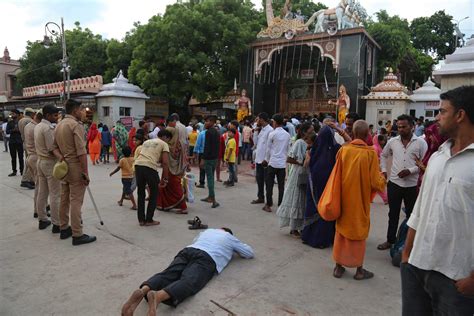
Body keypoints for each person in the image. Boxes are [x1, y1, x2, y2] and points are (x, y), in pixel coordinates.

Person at [401, 86, 474, 315]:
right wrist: (407, 254)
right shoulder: (437, 156)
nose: (437, 118)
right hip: (417, 264)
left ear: (460, 115)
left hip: (455, 277)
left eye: (442, 112)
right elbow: (420, 209)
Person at [121, 228, 254, 315]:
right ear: (228, 232)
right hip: (207, 258)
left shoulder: (207, 231)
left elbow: (196, 241)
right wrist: (234, 248)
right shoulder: (229, 237)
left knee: (167, 274)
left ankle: (144, 289)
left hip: (188, 250)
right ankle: (158, 296)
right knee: (189, 281)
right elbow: (249, 253)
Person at [325, 120, 386, 280]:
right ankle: (359, 270)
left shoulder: (344, 151)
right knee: (358, 233)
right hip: (359, 202)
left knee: (341, 232)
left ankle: (338, 268)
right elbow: (375, 182)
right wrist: (383, 179)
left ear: (353, 133)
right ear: (367, 135)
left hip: (344, 199)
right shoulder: (370, 153)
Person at [377, 115, 428, 251]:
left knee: (411, 215)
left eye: (404, 127)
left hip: (412, 186)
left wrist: (410, 170)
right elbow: (383, 155)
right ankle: (390, 240)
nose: (401, 129)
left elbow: (425, 164)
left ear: (412, 126)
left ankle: (410, 244)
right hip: (394, 183)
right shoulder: (393, 141)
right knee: (392, 214)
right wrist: (383, 169)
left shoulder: (421, 143)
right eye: (399, 127)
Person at [53, 99, 96, 245]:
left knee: (64, 198)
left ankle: (64, 227)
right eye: (81, 109)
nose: (83, 112)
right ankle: (77, 234)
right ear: (75, 110)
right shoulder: (75, 125)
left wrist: (62, 159)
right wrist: (85, 172)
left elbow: (53, 148)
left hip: (64, 166)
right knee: (76, 200)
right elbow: (81, 153)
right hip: (75, 166)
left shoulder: (59, 124)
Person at [302, 124, 341, 248]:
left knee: (313, 210)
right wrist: (341, 131)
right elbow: (350, 144)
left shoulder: (314, 150)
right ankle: (321, 240)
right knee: (324, 211)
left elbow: (307, 166)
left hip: (313, 189)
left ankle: (308, 237)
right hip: (327, 190)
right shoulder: (335, 150)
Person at [276, 122, 313, 236]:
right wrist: (301, 162)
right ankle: (294, 228)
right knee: (296, 199)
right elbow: (289, 159)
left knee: (302, 200)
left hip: (305, 173)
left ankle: (300, 226)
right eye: (310, 131)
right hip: (298, 173)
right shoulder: (299, 143)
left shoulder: (309, 143)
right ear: (304, 132)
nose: (312, 133)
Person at [34, 105, 62, 232]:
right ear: (47, 115)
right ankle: (57, 224)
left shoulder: (38, 125)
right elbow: (52, 149)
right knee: (55, 194)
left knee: (42, 192)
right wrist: (62, 158)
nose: (57, 118)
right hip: (49, 163)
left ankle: (42, 220)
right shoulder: (47, 128)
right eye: (55, 115)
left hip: (40, 161)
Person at [134, 129, 171, 226]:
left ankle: (141, 220)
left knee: (141, 193)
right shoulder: (164, 144)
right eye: (168, 139)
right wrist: (165, 178)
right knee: (154, 193)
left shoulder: (147, 141)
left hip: (138, 165)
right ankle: (149, 219)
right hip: (149, 167)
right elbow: (165, 162)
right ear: (165, 137)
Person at [157, 122, 187, 214]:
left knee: (175, 187)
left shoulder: (171, 145)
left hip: (173, 169)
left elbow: (168, 159)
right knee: (166, 187)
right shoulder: (178, 143)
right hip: (172, 168)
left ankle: (183, 207)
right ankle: (165, 205)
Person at [262, 114, 290, 213]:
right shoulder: (287, 135)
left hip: (273, 162)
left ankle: (268, 204)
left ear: (275, 122)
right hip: (282, 163)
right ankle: (281, 204)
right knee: (281, 186)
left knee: (269, 184)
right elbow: (288, 149)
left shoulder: (272, 134)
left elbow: (268, 149)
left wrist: (266, 159)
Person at [414, 123, 447, 189]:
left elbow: (439, 176)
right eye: (429, 135)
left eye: (432, 135)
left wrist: (422, 166)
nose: (429, 137)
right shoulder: (430, 152)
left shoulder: (445, 154)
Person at [251, 112, 273, 205]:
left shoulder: (270, 130)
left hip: (265, 160)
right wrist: (255, 131)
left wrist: (267, 159)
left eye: (258, 119)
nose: (257, 121)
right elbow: (255, 143)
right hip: (259, 158)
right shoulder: (262, 129)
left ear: (262, 119)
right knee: (259, 179)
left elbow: (270, 147)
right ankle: (260, 197)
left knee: (267, 181)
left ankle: (269, 200)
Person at [24, 110, 42, 218]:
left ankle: (40, 208)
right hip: (36, 157)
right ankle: (38, 210)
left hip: (29, 156)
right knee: (40, 187)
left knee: (38, 185)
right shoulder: (37, 128)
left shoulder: (28, 126)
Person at [200, 116, 220, 208]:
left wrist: (203, 159)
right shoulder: (217, 132)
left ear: (212, 122)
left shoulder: (208, 132)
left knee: (210, 178)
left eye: (207, 121)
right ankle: (210, 196)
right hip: (215, 158)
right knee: (210, 177)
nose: (205, 123)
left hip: (209, 159)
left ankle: (213, 198)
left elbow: (207, 147)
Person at [18, 107, 35, 189]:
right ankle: (26, 180)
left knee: (28, 161)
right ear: (31, 114)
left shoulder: (21, 120)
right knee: (30, 162)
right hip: (29, 143)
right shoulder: (28, 121)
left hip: (24, 142)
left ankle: (30, 179)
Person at [6, 109, 24, 177]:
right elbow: (7, 131)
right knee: (13, 157)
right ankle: (14, 171)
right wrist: (13, 130)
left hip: (19, 142)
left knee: (21, 157)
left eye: (13, 114)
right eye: (11, 114)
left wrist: (18, 130)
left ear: (17, 114)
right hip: (12, 142)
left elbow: (23, 131)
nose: (12, 115)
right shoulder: (10, 123)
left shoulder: (21, 122)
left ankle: (22, 171)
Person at [372, 134, 388, 204]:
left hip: (377, 168)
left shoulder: (378, 147)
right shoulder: (375, 148)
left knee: (373, 185)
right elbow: (374, 159)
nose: (384, 141)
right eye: (382, 140)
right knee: (379, 185)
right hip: (376, 169)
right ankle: (386, 199)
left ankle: (369, 199)